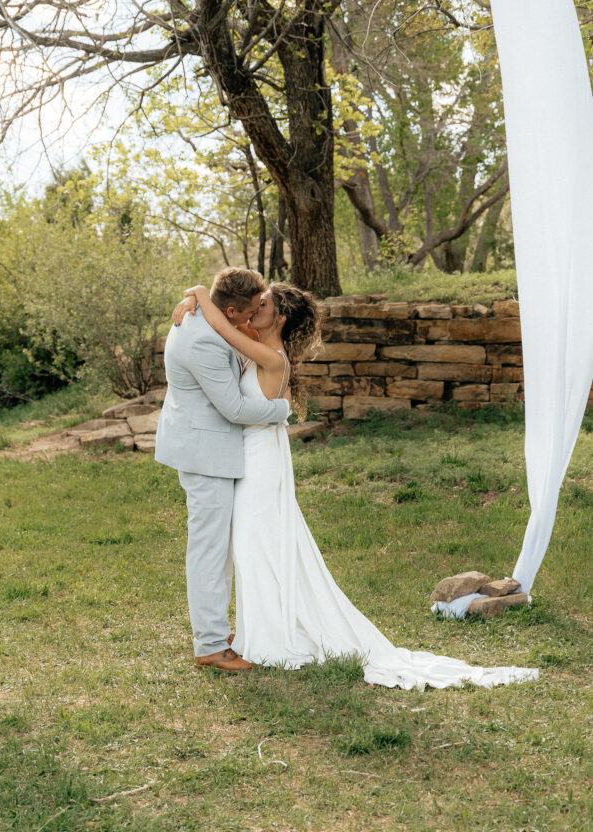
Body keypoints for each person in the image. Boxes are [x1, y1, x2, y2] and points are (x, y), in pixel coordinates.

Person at [175, 281, 539, 690]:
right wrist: (195, 301)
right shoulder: (254, 340)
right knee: (251, 547)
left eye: (263, 303)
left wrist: (200, 295)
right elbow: (227, 321)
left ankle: (270, 635)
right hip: (249, 459)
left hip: (259, 465)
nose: (254, 307)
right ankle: (252, 629)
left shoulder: (272, 356)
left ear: (279, 318)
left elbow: (223, 327)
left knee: (257, 545)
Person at [155, 267, 291, 673]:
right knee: (209, 550)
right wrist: (283, 410)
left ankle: (216, 629)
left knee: (220, 547)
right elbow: (233, 409)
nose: (251, 322)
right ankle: (210, 645)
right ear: (230, 311)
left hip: (210, 448)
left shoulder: (205, 317)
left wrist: (195, 293)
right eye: (248, 315)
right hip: (205, 453)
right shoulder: (202, 341)